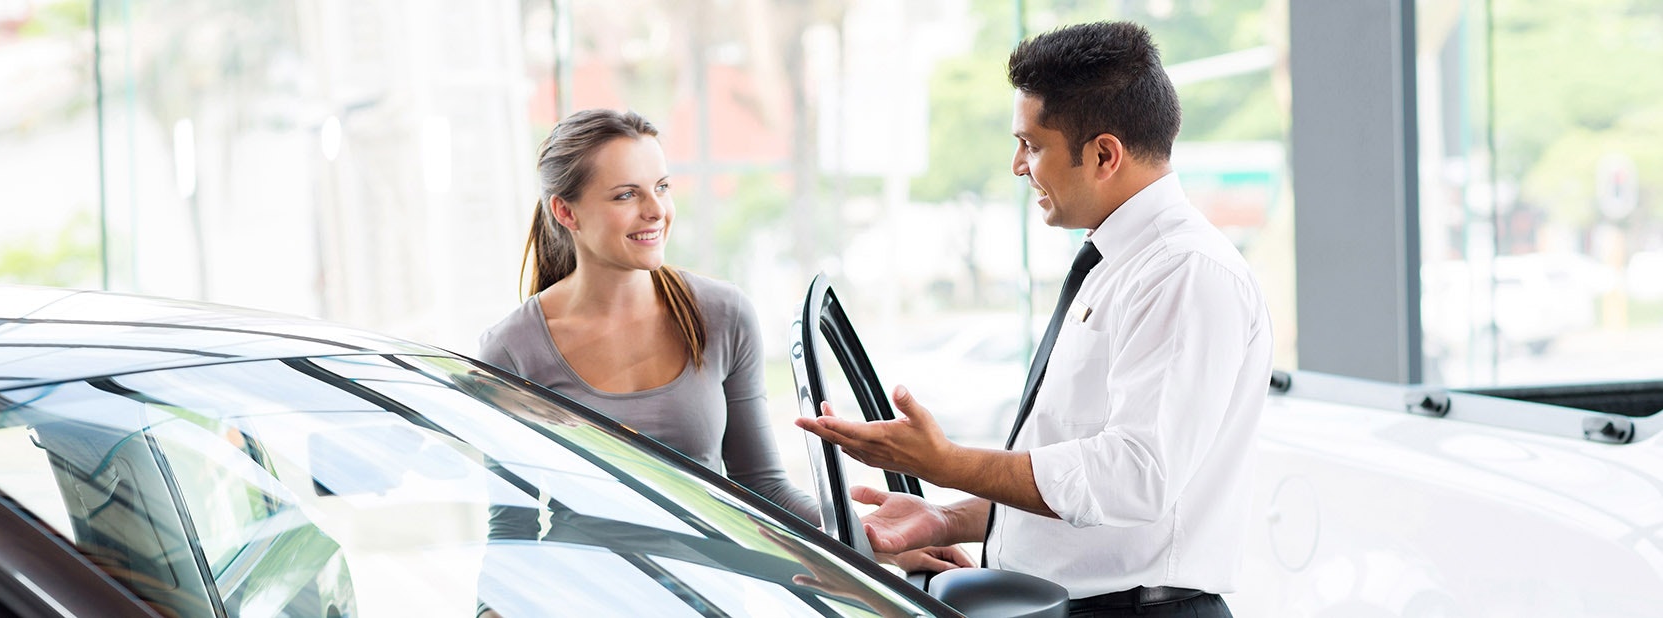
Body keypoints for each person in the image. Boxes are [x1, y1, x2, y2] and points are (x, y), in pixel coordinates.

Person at [795, 21, 1272, 618]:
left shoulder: (1184, 272)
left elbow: (1133, 478)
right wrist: (949, 516)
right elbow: (1076, 478)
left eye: (1033, 145)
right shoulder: (1116, 261)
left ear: (1104, 154)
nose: (1019, 165)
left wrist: (944, 462)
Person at [477, 108, 821, 523]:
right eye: (627, 194)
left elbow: (764, 490)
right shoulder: (512, 351)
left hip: (713, 588)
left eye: (661, 187)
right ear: (566, 212)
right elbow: (512, 526)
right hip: (585, 587)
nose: (656, 210)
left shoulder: (723, 315)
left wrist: (868, 539)